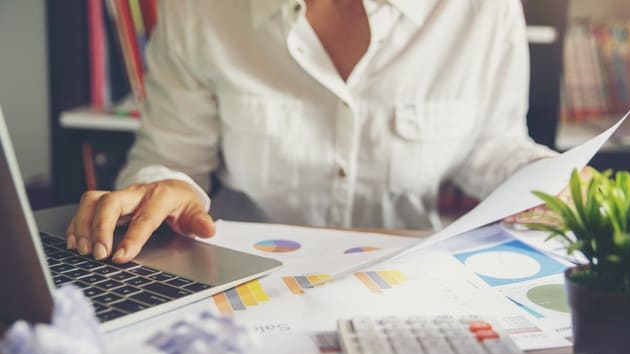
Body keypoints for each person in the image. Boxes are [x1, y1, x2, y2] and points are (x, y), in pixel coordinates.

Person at [66, 0, 563, 264]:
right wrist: (163, 185)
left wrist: (550, 180)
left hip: (412, 278)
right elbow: (171, 154)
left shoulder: (481, 10)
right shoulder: (200, 9)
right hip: (245, 284)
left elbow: (493, 146)